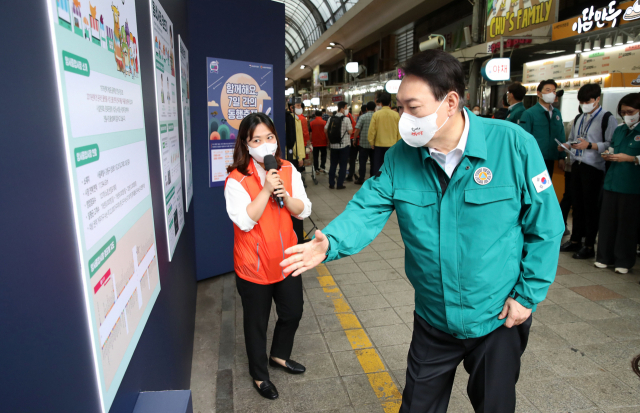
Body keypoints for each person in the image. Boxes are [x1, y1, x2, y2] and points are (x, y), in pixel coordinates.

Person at [280, 49, 563, 413]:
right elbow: (368, 206)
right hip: (434, 318)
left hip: (497, 317)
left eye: (413, 107)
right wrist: (331, 242)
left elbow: (546, 226)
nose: (403, 118)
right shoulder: (402, 156)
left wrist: (527, 296)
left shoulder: (512, 145)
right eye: (400, 107)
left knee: (495, 406)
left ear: (450, 102)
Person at [224, 113, 311, 400]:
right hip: (254, 265)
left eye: (269, 138)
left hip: (286, 260)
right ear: (246, 145)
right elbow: (245, 220)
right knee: (256, 323)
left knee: (293, 312)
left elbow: (303, 210)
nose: (265, 145)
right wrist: (265, 189)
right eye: (257, 140)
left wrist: (284, 195)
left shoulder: (287, 169)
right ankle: (260, 375)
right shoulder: (236, 179)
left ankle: (279, 355)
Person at [560, 84, 616, 259]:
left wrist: (590, 145)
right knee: (576, 205)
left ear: (597, 99)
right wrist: (566, 146)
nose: (585, 104)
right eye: (582, 101)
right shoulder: (579, 117)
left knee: (590, 207)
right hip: (577, 164)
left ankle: (589, 244)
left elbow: (611, 144)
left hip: (594, 167)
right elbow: (572, 139)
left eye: (588, 101)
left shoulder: (607, 118)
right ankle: (576, 240)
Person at [595, 93, 640, 274]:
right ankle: (604, 256)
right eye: (623, 112)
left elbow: (631, 156)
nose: (626, 115)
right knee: (607, 222)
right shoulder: (620, 129)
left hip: (632, 185)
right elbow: (613, 147)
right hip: (612, 182)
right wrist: (608, 153)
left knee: (627, 224)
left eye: (630, 112)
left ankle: (623, 260)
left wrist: (631, 158)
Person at [518, 79, 566, 178]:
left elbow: (561, 134)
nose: (552, 93)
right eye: (548, 90)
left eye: (553, 91)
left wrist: (562, 157)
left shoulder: (557, 113)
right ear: (539, 93)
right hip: (534, 160)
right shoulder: (529, 113)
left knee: (547, 188)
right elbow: (523, 138)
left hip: (551, 159)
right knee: (535, 188)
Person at [285, 99, 306, 241]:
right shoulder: (292, 119)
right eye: (296, 106)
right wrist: (300, 156)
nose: (299, 108)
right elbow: (295, 140)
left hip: (294, 154)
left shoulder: (295, 119)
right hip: (293, 155)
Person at [368, 91, 401, 177]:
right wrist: (398, 143)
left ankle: (378, 184)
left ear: (381, 103)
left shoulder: (376, 115)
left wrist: (371, 142)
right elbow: (400, 131)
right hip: (393, 145)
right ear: (390, 102)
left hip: (379, 145)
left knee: (378, 166)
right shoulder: (396, 115)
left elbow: (372, 130)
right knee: (391, 166)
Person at [325, 101, 352, 189]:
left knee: (333, 165)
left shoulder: (331, 118)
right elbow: (350, 131)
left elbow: (325, 130)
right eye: (346, 107)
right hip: (344, 146)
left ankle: (331, 183)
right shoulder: (346, 119)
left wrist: (330, 139)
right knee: (343, 165)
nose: (346, 109)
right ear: (342, 108)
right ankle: (340, 184)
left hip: (333, 146)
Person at [354, 101, 376, 184]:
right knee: (374, 162)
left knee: (362, 162)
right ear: (374, 108)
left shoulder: (362, 117)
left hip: (363, 144)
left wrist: (355, 139)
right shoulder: (377, 116)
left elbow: (357, 129)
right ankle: (373, 178)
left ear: (366, 108)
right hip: (374, 144)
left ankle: (361, 178)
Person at [346, 107, 359, 182]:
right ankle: (351, 173)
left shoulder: (347, 116)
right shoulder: (352, 116)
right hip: (354, 138)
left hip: (350, 139)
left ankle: (350, 174)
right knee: (352, 159)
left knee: (349, 159)